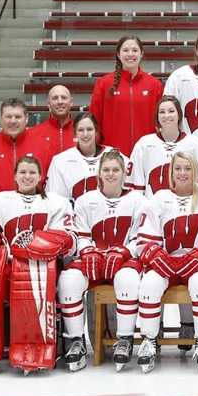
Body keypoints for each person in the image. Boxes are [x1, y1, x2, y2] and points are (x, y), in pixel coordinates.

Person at [0, 156, 74, 374]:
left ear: (41, 176)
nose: (27, 177)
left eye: (32, 173)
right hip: (3, 265)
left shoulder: (57, 203)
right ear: (15, 176)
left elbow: (68, 238)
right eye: (23, 172)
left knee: (30, 277)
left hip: (40, 267)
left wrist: (44, 244)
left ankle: (36, 344)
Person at [60, 149, 149, 372]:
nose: (111, 174)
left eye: (115, 170)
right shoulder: (84, 200)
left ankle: (125, 339)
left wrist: (123, 252)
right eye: (106, 170)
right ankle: (76, 341)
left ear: (124, 173)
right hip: (94, 258)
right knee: (68, 280)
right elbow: (80, 234)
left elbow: (141, 236)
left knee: (127, 279)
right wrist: (88, 250)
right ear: (99, 173)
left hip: (125, 259)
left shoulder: (139, 200)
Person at [134, 152, 198, 373]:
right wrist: (162, 259)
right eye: (178, 169)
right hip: (166, 261)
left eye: (187, 168)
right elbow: (145, 241)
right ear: (171, 172)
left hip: (197, 264)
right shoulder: (159, 199)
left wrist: (193, 259)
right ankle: (149, 340)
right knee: (149, 284)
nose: (182, 173)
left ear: (195, 171)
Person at [89, 35, 165, 155]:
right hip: (112, 156)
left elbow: (162, 123)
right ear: (118, 55)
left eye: (135, 50)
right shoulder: (104, 84)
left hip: (147, 154)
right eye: (125, 50)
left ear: (141, 54)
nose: (130, 54)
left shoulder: (154, 85)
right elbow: (94, 121)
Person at [128, 95, 198, 196]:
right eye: (162, 112)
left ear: (179, 114)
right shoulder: (144, 144)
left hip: (186, 208)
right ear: (157, 116)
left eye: (171, 111)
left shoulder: (195, 144)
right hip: (153, 208)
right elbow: (136, 187)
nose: (166, 115)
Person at [45, 112, 110, 202]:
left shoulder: (113, 156)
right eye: (81, 130)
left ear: (96, 132)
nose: (85, 134)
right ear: (75, 133)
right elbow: (56, 201)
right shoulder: (60, 161)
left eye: (90, 129)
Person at [27, 85, 75, 159]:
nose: (60, 102)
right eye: (55, 98)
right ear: (48, 103)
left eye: (64, 98)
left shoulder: (82, 132)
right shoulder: (33, 133)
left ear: (71, 102)